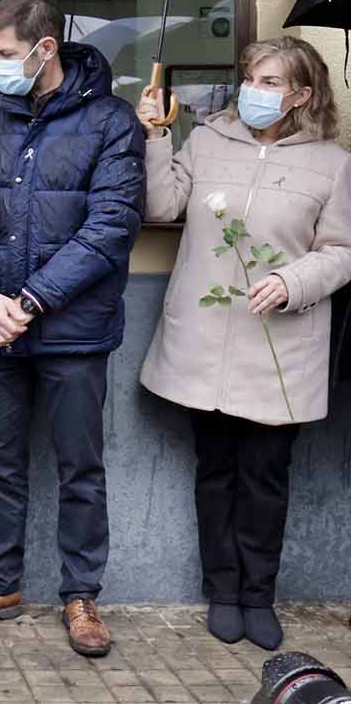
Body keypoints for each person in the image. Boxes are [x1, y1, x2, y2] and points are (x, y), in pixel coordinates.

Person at [0, 0, 144, 657]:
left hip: (74, 330)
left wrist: (27, 302)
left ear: (43, 47)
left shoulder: (110, 122)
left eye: (2, 54)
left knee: (79, 466)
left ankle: (81, 593)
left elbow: (111, 224)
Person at [138, 36, 351, 651]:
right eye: (251, 78)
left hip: (281, 346)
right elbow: (161, 204)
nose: (253, 92)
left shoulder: (333, 164)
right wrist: (156, 136)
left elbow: (341, 252)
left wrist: (292, 280)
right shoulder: (206, 140)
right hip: (207, 341)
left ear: (301, 95)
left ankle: (260, 594)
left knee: (265, 477)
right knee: (216, 471)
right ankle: (222, 591)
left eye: (270, 83)